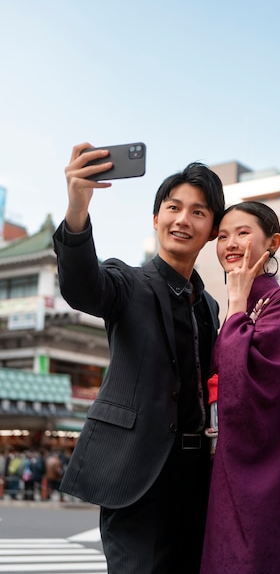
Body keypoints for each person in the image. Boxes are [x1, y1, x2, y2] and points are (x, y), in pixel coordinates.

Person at [53, 143, 225, 574]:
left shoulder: (208, 307)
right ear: (156, 218)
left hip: (198, 479)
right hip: (138, 476)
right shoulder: (126, 283)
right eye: (173, 207)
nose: (183, 219)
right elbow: (80, 286)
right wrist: (78, 205)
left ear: (211, 230)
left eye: (199, 212)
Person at [200, 201, 280, 574]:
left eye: (243, 232)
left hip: (265, 464)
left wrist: (235, 305)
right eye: (222, 235)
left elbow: (251, 387)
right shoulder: (237, 307)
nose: (230, 243)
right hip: (227, 461)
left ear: (274, 243)